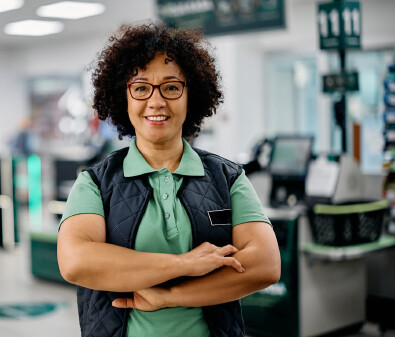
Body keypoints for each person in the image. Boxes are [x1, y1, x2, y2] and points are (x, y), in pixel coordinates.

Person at [57, 22, 281, 337]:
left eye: (172, 87)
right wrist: (184, 264)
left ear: (191, 95)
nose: (157, 101)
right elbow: (76, 262)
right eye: (141, 87)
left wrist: (170, 296)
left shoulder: (227, 178)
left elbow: (265, 265)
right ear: (124, 96)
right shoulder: (95, 183)